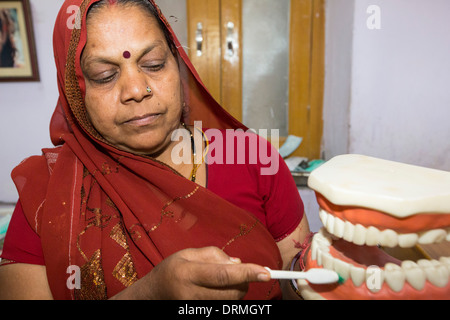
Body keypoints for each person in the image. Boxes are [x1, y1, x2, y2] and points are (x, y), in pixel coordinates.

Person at [0, 0, 310, 300]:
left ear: (178, 64)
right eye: (105, 76)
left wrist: (317, 270)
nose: (136, 90)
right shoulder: (47, 191)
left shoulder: (252, 158)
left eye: (154, 64)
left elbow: (292, 280)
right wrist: (151, 293)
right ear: (75, 91)